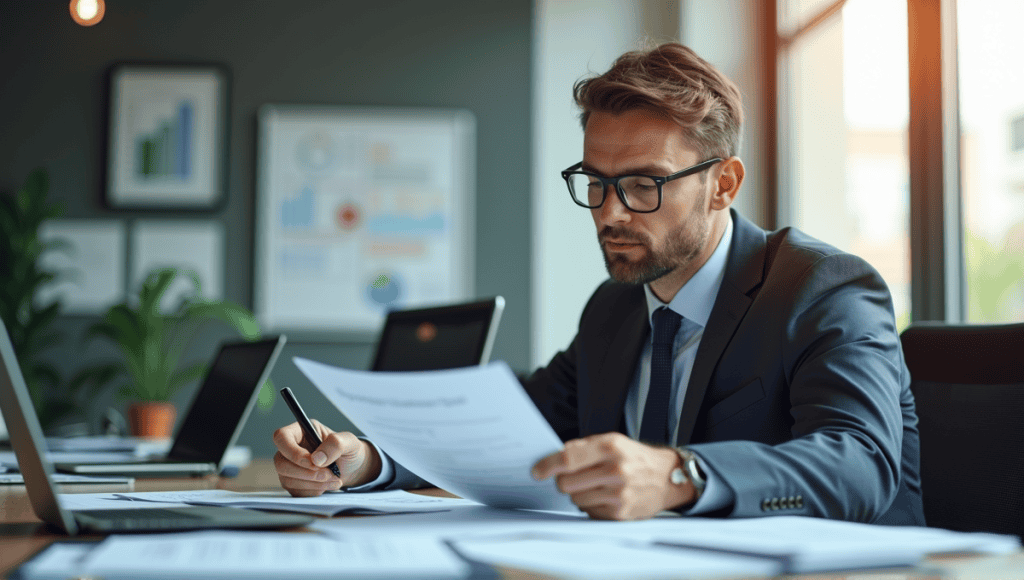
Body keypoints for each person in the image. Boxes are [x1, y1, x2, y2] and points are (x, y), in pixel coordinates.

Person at [272, 42, 925, 525]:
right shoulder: (615, 309)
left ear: (723, 183)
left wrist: (678, 474)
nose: (610, 213)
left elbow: (859, 464)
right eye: (598, 183)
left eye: (644, 184)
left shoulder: (822, 289)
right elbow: (509, 432)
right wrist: (363, 460)